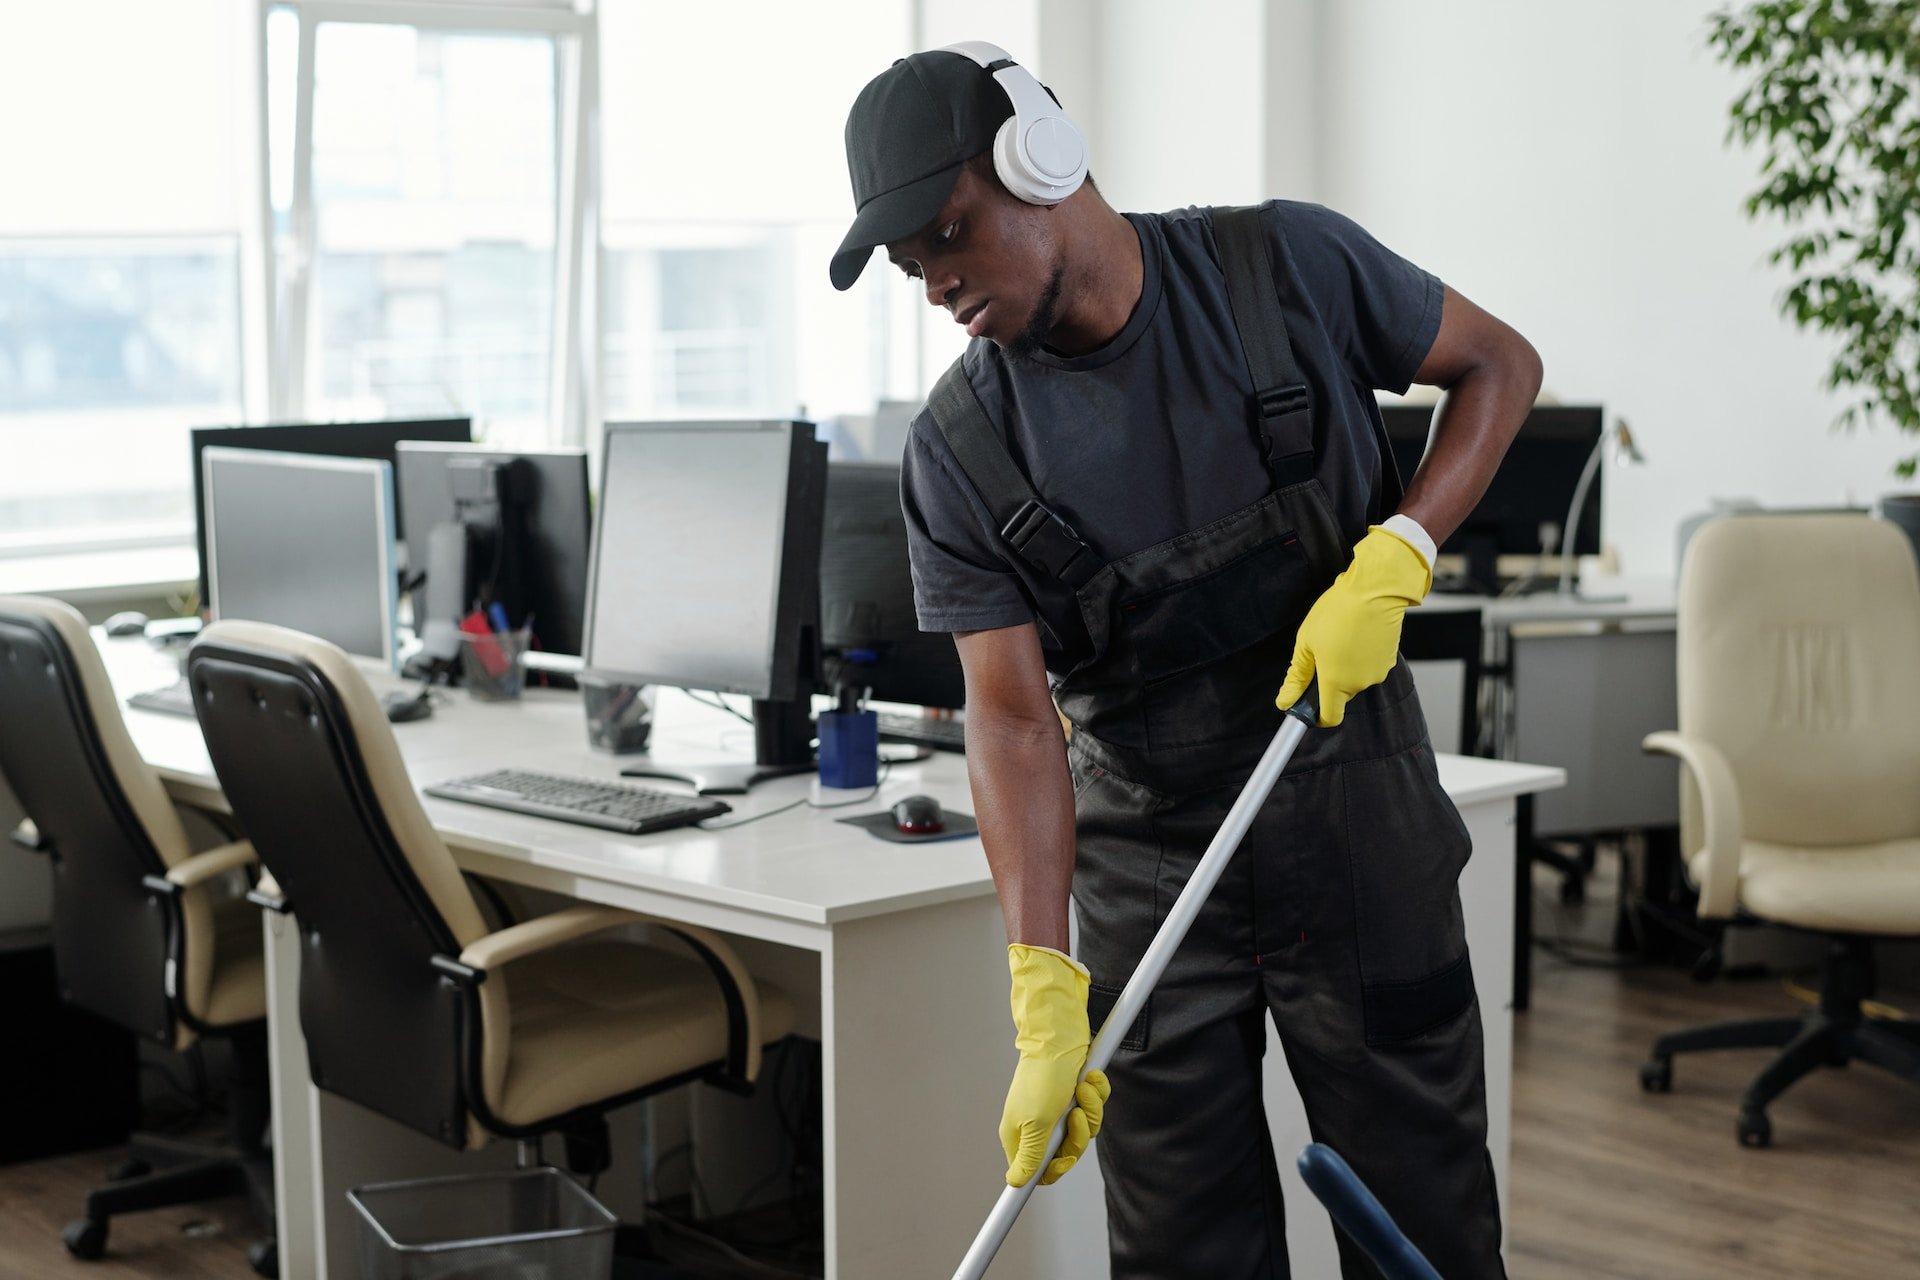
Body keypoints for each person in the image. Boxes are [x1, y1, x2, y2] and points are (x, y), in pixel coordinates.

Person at [831, 42, 1541, 1279]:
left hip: (1355, 817)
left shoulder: (1288, 271)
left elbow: (1501, 364)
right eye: (911, 266)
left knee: (1421, 1225)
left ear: (1039, 158)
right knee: (1181, 1254)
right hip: (1148, 866)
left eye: (950, 233)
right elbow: (1008, 721)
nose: (938, 284)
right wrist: (1044, 978)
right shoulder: (960, 450)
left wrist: (1404, 547)